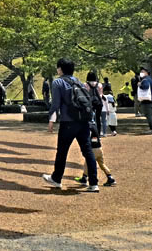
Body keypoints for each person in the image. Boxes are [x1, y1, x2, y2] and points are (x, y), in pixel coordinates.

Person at [42, 58, 99, 192]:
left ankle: (56, 178)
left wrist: (51, 120)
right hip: (83, 121)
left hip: (68, 121)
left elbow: (55, 104)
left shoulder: (58, 82)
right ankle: (94, 183)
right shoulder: (78, 82)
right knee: (88, 151)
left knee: (62, 151)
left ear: (60, 69)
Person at [73, 121, 116, 187]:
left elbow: (87, 137)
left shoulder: (88, 126)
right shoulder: (94, 125)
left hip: (93, 149)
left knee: (87, 163)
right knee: (102, 164)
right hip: (99, 148)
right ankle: (110, 178)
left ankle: (84, 179)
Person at [136, 66, 152, 133]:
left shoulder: (145, 80)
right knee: (151, 114)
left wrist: (140, 85)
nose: (141, 73)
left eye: (142, 72)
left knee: (148, 115)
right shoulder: (150, 79)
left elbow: (145, 87)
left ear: (147, 73)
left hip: (147, 100)